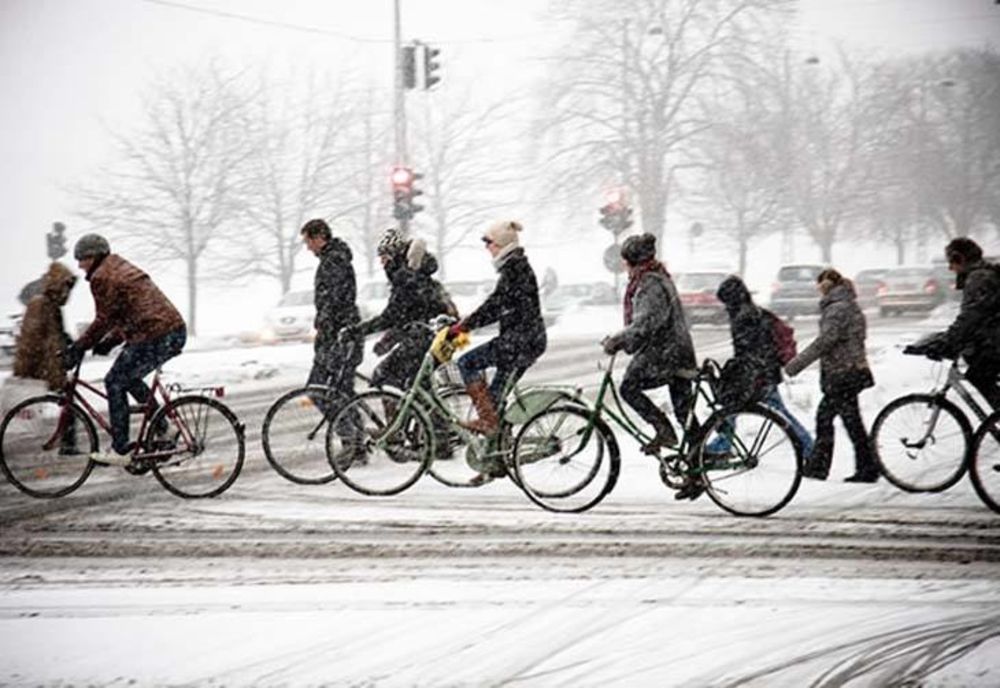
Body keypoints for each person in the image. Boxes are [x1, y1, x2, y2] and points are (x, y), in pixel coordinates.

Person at [65, 234, 187, 466]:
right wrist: (109, 342)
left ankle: (121, 448)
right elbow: (128, 313)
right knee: (128, 378)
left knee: (114, 381)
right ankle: (165, 427)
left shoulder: (103, 276)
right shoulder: (117, 268)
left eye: (82, 259)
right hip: (169, 331)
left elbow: (104, 319)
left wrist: (79, 347)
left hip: (156, 334)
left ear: (94, 256)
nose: (80, 265)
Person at [449, 220, 547, 439]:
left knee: (467, 363)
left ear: (502, 245)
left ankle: (488, 422)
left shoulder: (515, 269)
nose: (487, 248)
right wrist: (468, 324)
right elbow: (500, 306)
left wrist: (465, 326)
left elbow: (495, 305)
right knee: (494, 400)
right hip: (526, 340)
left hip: (520, 341)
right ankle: (497, 455)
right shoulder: (515, 267)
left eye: (489, 243)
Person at [602, 233, 697, 458]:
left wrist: (618, 340)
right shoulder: (657, 277)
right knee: (685, 413)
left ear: (633, 261)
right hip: (677, 350)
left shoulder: (650, 283)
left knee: (629, 387)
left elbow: (646, 322)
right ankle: (697, 465)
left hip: (666, 353)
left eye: (626, 261)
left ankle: (664, 430)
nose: (624, 266)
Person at [705, 275, 814, 459]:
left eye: (725, 301)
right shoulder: (755, 312)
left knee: (733, 406)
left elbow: (748, 352)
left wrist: (740, 373)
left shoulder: (744, 318)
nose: (724, 307)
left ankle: (809, 448)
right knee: (777, 414)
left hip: (757, 375)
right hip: (764, 372)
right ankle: (808, 447)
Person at [784, 268, 878, 482]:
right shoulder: (849, 305)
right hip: (852, 370)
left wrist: (796, 364)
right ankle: (867, 467)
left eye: (819, 285)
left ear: (826, 285)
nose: (818, 290)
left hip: (842, 373)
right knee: (851, 422)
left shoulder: (837, 309)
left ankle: (819, 467)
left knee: (826, 419)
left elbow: (825, 342)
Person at [349, 228, 454, 391]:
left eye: (383, 257)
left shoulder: (407, 279)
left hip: (431, 337)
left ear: (394, 256)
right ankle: (427, 415)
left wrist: (356, 331)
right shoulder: (414, 275)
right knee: (414, 386)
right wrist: (390, 339)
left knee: (382, 376)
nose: (381, 263)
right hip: (444, 337)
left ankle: (402, 416)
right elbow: (408, 316)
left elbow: (392, 316)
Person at [919, 237, 1000, 409]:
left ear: (960, 259)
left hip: (994, 343)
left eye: (951, 262)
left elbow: (972, 317)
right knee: (981, 374)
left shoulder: (979, 278)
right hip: (992, 341)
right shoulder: (983, 274)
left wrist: (949, 341)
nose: (950, 268)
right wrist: (950, 339)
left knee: (980, 376)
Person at [299, 218, 363, 418]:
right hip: (342, 332)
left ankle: (352, 438)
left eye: (308, 242)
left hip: (338, 335)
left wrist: (325, 328)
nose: (308, 248)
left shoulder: (333, 261)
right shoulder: (336, 259)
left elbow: (334, 301)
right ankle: (354, 439)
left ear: (319, 238)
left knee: (319, 390)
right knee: (341, 391)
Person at [14, 262, 76, 392]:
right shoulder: (40, 304)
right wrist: (28, 370)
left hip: (50, 370)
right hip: (40, 372)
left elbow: (56, 336)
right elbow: (31, 343)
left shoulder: (53, 307)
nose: (67, 293)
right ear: (57, 286)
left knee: (63, 407)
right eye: (65, 287)